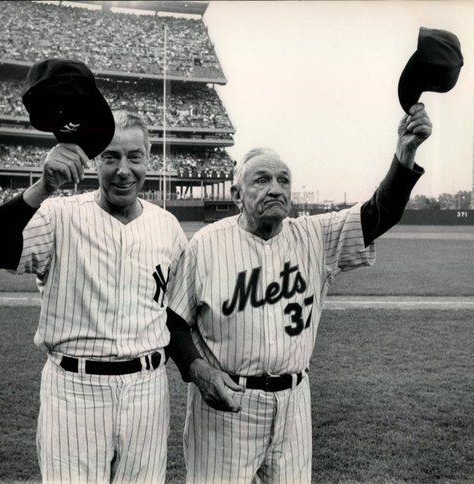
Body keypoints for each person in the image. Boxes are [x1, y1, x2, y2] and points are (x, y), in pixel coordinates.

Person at [166, 103, 432, 483]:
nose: (276, 188)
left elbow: (378, 214)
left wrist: (404, 155)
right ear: (236, 192)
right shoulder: (206, 244)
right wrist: (196, 369)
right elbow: (174, 320)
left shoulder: (314, 236)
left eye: (284, 180)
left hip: (293, 402)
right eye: (262, 180)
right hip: (226, 406)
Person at [0, 110, 187, 483]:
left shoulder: (167, 226)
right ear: (94, 162)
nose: (123, 169)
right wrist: (42, 187)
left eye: (135, 156)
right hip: (75, 390)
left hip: (148, 392)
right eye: (111, 157)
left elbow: (174, 311)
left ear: (149, 160)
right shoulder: (57, 215)